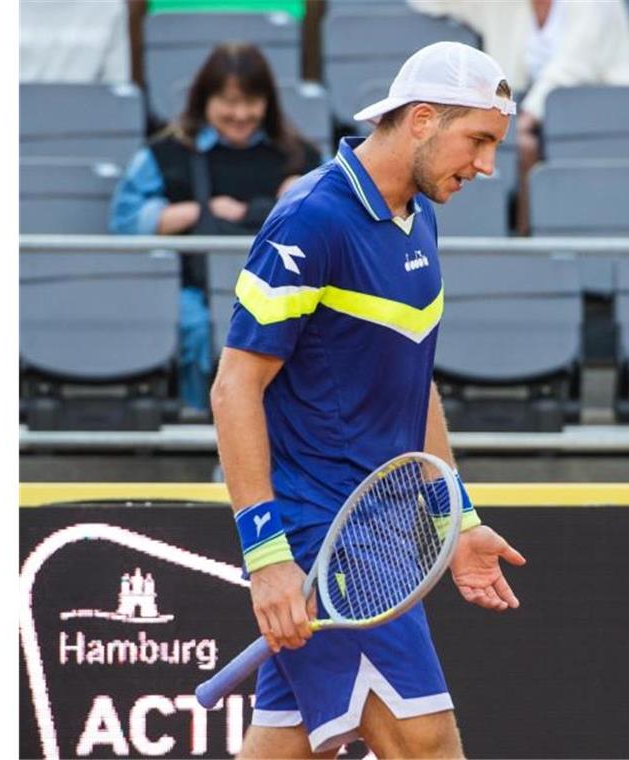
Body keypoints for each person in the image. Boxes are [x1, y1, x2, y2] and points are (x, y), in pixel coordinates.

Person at [210, 41, 526, 758]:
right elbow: (234, 388)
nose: (486, 166)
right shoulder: (310, 221)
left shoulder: (421, 215)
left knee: (282, 745)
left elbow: (413, 382)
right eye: (478, 140)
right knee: (427, 747)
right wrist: (268, 557)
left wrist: (459, 518)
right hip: (323, 537)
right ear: (420, 119)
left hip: (378, 532)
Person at [109, 42, 322, 414]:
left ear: (267, 103)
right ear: (204, 100)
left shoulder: (301, 156)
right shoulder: (165, 153)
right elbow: (125, 223)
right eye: (227, 101)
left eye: (251, 102)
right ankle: (194, 422)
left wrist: (306, 198)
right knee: (191, 322)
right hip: (194, 286)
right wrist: (196, 211)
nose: (240, 114)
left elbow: (342, 222)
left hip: (281, 292)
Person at [408, 0, 629, 231]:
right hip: (524, 116)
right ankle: (524, 233)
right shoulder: (504, 5)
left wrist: (526, 117)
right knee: (520, 144)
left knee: (518, 139)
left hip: (601, 118)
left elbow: (573, 67)